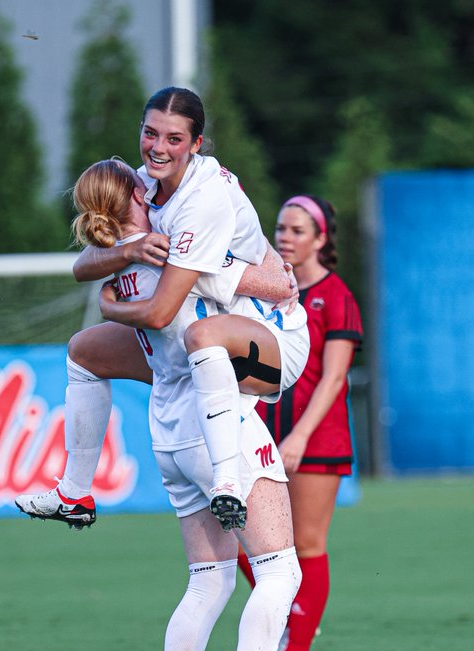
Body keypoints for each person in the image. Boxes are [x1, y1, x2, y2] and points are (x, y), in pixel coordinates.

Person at [67, 158, 302, 651]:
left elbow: (91, 272)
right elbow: (278, 286)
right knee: (279, 572)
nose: (150, 175)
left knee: (210, 579)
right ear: (132, 198)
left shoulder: (120, 261)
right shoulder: (173, 247)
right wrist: (250, 264)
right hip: (216, 420)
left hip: (169, 431)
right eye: (137, 177)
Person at [16, 86, 299, 532]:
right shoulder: (145, 185)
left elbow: (265, 287)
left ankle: (227, 477)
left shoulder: (200, 201)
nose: (157, 148)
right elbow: (82, 266)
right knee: (84, 351)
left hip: (268, 338)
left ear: (195, 145)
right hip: (193, 355)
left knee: (272, 571)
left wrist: (112, 307)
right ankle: (74, 490)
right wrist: (129, 252)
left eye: (173, 139)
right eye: (150, 134)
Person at [247, 195, 363, 651]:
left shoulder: (336, 295)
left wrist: (297, 436)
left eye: (297, 230)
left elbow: (335, 378)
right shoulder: (264, 288)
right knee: (244, 540)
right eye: (281, 228)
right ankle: (279, 627)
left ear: (321, 239)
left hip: (315, 437)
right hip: (261, 430)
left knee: (308, 544)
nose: (285, 238)